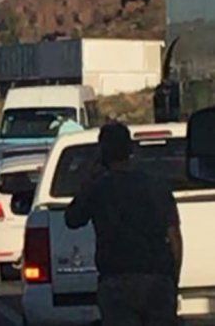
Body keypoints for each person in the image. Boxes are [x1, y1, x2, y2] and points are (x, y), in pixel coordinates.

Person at [65, 123, 182, 326]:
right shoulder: (156, 186)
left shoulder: (98, 188)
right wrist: (172, 280)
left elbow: (72, 219)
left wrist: (88, 179)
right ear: (130, 150)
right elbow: (175, 238)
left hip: (116, 282)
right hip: (157, 280)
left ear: (102, 152)